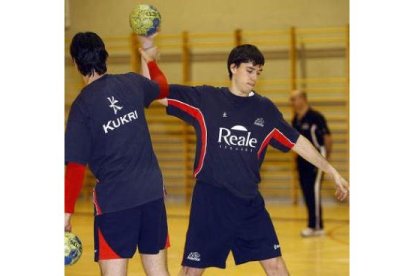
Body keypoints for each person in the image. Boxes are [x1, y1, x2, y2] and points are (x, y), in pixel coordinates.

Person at [140, 36, 348, 276]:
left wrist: (330, 170)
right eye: (249, 70)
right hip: (211, 200)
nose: (254, 77)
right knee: (191, 269)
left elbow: (298, 142)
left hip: (249, 202)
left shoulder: (265, 110)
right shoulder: (206, 99)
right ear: (233, 68)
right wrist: (148, 58)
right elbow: (157, 92)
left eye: (258, 72)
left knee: (276, 265)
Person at [65, 32, 170, 276]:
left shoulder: (82, 107)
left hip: (116, 202)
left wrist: (65, 214)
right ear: (105, 55)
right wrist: (150, 58)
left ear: (75, 63)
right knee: (158, 273)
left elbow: (76, 167)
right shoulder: (131, 83)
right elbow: (161, 87)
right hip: (151, 193)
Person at [290, 90, 333, 237]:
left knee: (314, 191)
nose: (292, 102)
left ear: (303, 99)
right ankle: (315, 224)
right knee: (307, 192)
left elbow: (327, 138)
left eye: (294, 99)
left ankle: (316, 226)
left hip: (317, 160)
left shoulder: (316, 117)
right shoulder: (296, 119)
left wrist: (325, 161)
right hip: (302, 162)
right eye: (291, 100)